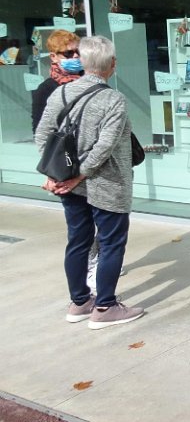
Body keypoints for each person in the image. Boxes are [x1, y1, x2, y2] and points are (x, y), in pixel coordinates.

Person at [35, 35, 143, 329]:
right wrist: (80, 175)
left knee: (78, 241)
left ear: (82, 62)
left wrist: (57, 175)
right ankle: (105, 307)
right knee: (111, 244)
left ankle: (80, 302)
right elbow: (105, 146)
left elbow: (42, 136)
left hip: (70, 184)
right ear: (112, 64)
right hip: (108, 183)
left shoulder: (61, 93)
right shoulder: (113, 99)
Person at [32, 30, 82, 133]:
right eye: (68, 53)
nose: (75, 56)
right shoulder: (46, 88)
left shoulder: (90, 79)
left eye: (78, 51)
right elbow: (39, 129)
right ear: (53, 57)